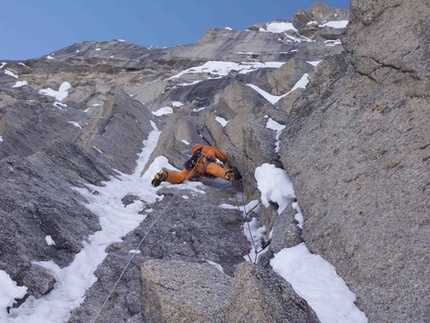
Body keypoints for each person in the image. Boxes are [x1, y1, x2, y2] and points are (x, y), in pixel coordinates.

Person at [151, 144, 242, 187]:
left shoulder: (196, 153)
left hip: (194, 166)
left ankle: (164, 175)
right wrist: (223, 159)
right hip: (205, 161)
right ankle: (229, 175)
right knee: (215, 169)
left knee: (180, 177)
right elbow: (219, 154)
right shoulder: (208, 149)